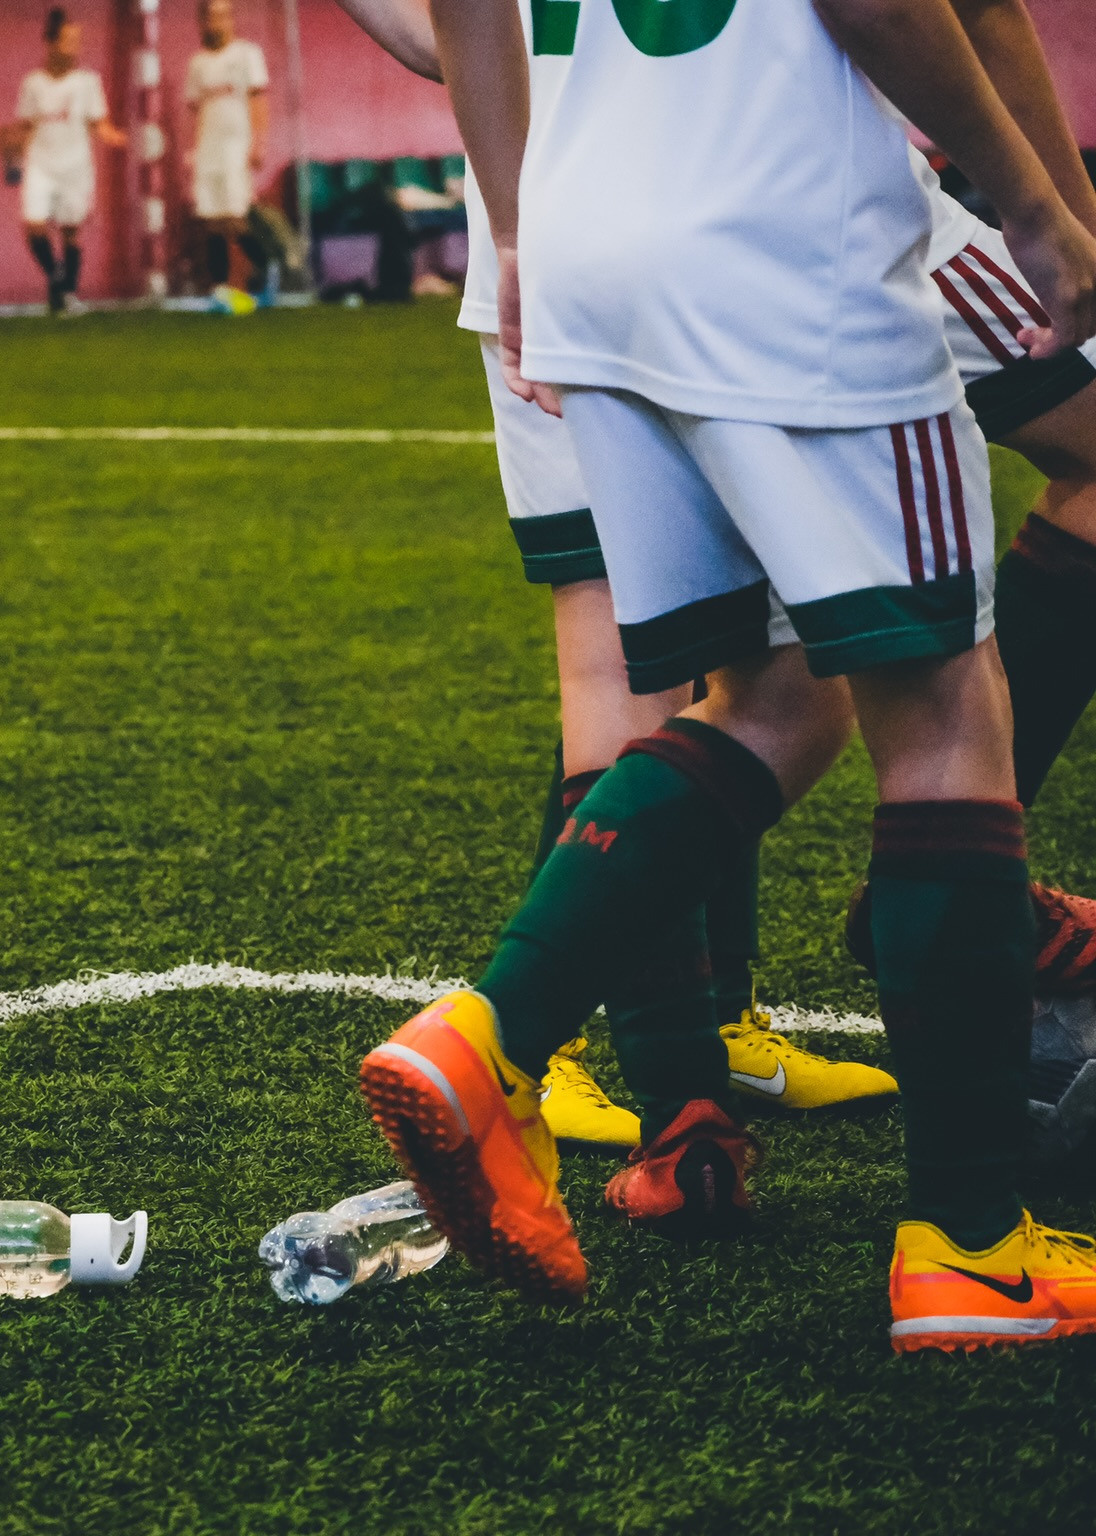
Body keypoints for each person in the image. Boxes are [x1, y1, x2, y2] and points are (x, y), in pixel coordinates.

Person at [363, 0, 1096, 1352]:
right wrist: (1042, 208)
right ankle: (972, 1253)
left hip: (588, 255)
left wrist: (518, 235)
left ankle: (491, 1038)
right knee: (946, 706)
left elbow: (457, 12)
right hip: (789, 239)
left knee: (769, 695)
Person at [9, 8, 126, 314]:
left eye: (77, 41)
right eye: (68, 41)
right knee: (34, 225)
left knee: (71, 230)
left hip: (75, 165)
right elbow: (25, 125)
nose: (74, 48)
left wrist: (113, 135)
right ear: (51, 43)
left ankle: (67, 295)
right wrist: (12, 152)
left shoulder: (87, 82)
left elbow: (98, 121)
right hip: (40, 164)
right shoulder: (33, 83)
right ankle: (57, 275)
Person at [185, 0, 271, 298]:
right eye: (213, 17)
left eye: (224, 15)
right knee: (211, 219)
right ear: (204, 22)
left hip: (236, 146)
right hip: (208, 148)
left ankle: (267, 265)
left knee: (235, 217)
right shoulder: (198, 63)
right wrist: (192, 150)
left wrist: (258, 142)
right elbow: (195, 111)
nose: (219, 22)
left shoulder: (247, 54)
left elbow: (258, 100)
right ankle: (220, 288)